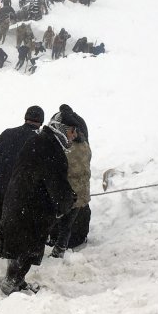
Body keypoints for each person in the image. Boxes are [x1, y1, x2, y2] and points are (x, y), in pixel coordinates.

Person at [0, 108, 79, 295]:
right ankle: (11, 286)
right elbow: (56, 183)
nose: (74, 136)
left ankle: (16, 281)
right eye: (72, 130)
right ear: (61, 129)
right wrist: (68, 200)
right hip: (31, 210)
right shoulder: (52, 149)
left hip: (19, 203)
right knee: (25, 251)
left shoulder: (38, 141)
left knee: (19, 249)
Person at [0, 106, 43, 243]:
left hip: (2, 182)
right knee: (15, 216)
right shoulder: (39, 140)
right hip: (21, 187)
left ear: (25, 118)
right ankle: (3, 243)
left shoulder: (8, 133)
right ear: (41, 122)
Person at [50, 104, 91, 258]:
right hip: (81, 191)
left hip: (67, 192)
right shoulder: (84, 142)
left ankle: (58, 245)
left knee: (60, 219)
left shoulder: (65, 143)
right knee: (73, 219)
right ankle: (67, 244)